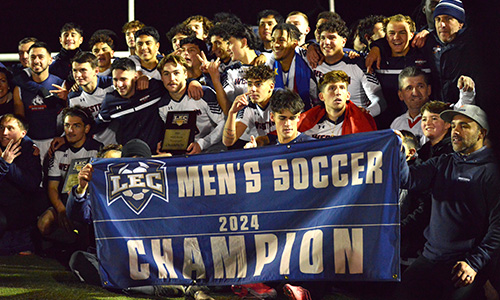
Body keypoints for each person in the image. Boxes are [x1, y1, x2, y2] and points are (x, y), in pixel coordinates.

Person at [397, 104, 500, 299]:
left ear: (481, 133)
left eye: (464, 126)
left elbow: (498, 228)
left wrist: (474, 264)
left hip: (464, 264)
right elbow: (406, 179)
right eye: (453, 126)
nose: (456, 132)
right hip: (430, 257)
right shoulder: (442, 162)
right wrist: (400, 151)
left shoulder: (492, 172)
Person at [37, 106, 102, 238]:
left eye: (76, 126)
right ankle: (61, 246)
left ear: (87, 128)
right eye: (67, 125)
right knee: (43, 223)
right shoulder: (58, 151)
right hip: (64, 202)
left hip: (87, 203)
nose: (70, 130)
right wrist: (61, 210)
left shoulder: (97, 150)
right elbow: (52, 187)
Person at [312, 20, 386, 117]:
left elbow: (380, 102)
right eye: (322, 38)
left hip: (355, 125)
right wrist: (310, 45)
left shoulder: (359, 64)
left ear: (343, 41)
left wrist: (363, 115)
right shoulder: (313, 62)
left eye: (332, 38)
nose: (326, 42)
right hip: (327, 127)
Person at [157, 54, 225, 154]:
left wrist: (201, 144)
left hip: (214, 151)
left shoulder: (204, 94)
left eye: (176, 73)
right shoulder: (162, 105)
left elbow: (223, 123)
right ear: (161, 77)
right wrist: (166, 144)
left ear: (185, 74)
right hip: (185, 154)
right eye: (166, 74)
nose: (171, 78)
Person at [390, 66, 475, 145]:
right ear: (400, 95)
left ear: (429, 90)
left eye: (420, 86)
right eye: (409, 88)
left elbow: (463, 109)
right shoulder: (396, 124)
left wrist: (466, 91)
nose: (415, 93)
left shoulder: (443, 114)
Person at [96, 58, 165, 152]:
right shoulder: (109, 102)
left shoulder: (153, 88)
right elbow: (95, 127)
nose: (119, 85)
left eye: (123, 79)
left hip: (159, 153)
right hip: (130, 157)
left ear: (135, 76)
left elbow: (176, 88)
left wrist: (192, 82)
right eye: (115, 79)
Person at [12, 41, 66, 161]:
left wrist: (64, 138)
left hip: (57, 142)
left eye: (41, 57)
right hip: (32, 143)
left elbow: (69, 115)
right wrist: (27, 143)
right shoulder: (19, 88)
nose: (36, 61)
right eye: (33, 57)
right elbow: (20, 122)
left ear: (50, 60)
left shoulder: (61, 84)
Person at [0, 114, 44, 255]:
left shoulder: (29, 150)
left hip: (22, 218)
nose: (4, 133)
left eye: (10, 128)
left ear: (23, 133)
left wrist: (7, 164)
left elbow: (31, 184)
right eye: (1, 128)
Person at [298, 70, 377, 139]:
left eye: (342, 88)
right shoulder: (305, 122)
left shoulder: (362, 120)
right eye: (332, 88)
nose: (338, 92)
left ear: (347, 96)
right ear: (321, 96)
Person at [222, 64, 276, 148]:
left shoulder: (282, 100)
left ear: (271, 86)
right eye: (250, 84)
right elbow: (228, 142)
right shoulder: (248, 105)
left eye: (258, 84)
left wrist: (262, 140)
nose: (252, 89)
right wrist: (232, 113)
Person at [270, 23, 318, 111]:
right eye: (273, 40)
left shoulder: (308, 60)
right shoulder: (268, 62)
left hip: (306, 117)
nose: (275, 45)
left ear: (294, 43)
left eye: (281, 40)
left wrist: (313, 44)